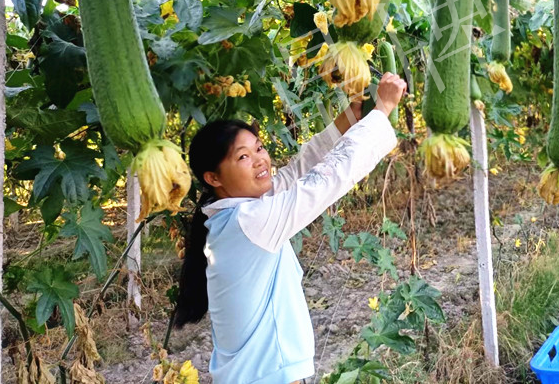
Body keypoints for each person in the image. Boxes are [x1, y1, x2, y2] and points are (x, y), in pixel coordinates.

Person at [173, 72, 406, 384]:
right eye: (243, 156)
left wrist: (352, 115)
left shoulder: (236, 216)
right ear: (213, 178)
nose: (259, 160)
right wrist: (382, 110)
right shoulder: (249, 221)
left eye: (259, 148)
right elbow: (324, 181)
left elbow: (300, 168)